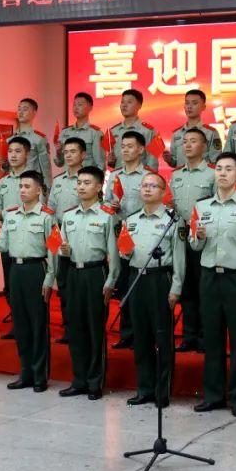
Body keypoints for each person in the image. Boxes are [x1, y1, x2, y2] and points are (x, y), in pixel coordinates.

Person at [190, 152, 236, 417]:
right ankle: (213, 395)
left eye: (229, 169)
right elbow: (195, 245)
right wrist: (198, 237)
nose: (223, 173)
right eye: (219, 168)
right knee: (212, 338)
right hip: (209, 277)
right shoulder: (201, 206)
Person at [0, 170, 57, 393]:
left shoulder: (46, 216)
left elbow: (53, 250)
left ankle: (40, 375)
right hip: (15, 270)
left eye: (27, 187)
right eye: (21, 187)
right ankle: (25, 373)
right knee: (21, 324)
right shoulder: (11, 215)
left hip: (36, 269)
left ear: (38, 190)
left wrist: (49, 278)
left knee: (38, 324)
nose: (22, 190)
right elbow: (4, 245)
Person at [57, 166, 120, 400]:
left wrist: (111, 280)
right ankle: (79, 380)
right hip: (74, 272)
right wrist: (63, 251)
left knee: (95, 330)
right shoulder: (69, 216)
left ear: (98, 187)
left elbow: (113, 253)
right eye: (79, 183)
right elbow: (60, 247)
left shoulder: (107, 215)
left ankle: (95, 382)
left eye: (87, 183)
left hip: (96, 274)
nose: (81, 187)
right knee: (75, 329)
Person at [123, 172, 185, 407]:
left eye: (153, 186)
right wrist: (124, 252)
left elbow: (179, 258)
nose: (147, 189)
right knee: (141, 337)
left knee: (162, 336)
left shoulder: (173, 220)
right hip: (136, 278)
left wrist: (176, 287)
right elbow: (124, 252)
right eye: (144, 185)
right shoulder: (131, 220)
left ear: (163, 191)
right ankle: (144, 388)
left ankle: (162, 390)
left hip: (161, 279)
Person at [169, 128, 216, 352]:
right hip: (181, 233)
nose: (187, 145)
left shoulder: (213, 173)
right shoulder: (176, 175)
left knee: (204, 286)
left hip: (205, 234)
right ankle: (189, 335)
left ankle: (206, 336)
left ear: (204, 146)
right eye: (185, 141)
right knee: (186, 284)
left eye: (193, 141)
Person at [106, 131, 152, 349]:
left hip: (142, 236)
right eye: (122, 146)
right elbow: (105, 203)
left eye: (130, 146)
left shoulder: (148, 176)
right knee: (124, 286)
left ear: (141, 149)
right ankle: (127, 334)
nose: (124, 150)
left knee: (141, 288)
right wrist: (111, 207)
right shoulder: (114, 176)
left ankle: (144, 335)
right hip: (119, 236)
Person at [0, 136, 38, 340]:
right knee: (11, 286)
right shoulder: (2, 182)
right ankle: (18, 325)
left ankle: (33, 326)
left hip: (29, 239)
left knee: (31, 288)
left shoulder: (34, 180)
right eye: (10, 151)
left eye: (18, 151)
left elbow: (40, 209)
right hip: (8, 239)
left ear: (27, 154)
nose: (13, 155)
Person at [106, 89, 163, 170]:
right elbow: (111, 162)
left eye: (129, 102)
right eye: (122, 102)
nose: (124, 105)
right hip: (119, 176)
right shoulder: (112, 131)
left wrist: (150, 177)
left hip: (140, 176)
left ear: (139, 105)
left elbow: (153, 163)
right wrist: (110, 161)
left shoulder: (150, 131)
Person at [168, 89, 224, 166]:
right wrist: (169, 160)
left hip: (203, 173)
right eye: (187, 103)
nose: (189, 107)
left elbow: (216, 161)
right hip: (182, 173)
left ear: (203, 107)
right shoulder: (177, 133)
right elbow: (174, 162)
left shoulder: (211, 133)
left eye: (194, 103)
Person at [56, 92, 105, 168]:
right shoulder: (65, 132)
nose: (76, 108)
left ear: (90, 107)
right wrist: (58, 152)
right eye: (74, 105)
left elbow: (100, 164)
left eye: (80, 105)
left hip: (86, 174)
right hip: (69, 174)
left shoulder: (95, 133)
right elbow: (59, 163)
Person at [10, 97, 52, 188]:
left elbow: (45, 166)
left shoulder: (39, 139)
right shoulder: (10, 139)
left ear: (34, 113)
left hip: (31, 185)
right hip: (13, 184)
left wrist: (47, 188)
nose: (21, 112)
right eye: (19, 109)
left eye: (25, 109)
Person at [49, 138, 84, 221]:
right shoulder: (57, 180)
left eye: (73, 152)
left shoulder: (88, 180)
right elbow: (51, 206)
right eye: (65, 152)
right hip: (58, 226)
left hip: (79, 226)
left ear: (83, 155)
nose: (68, 156)